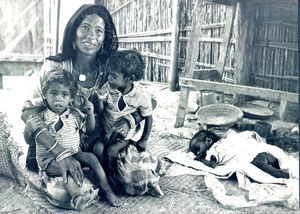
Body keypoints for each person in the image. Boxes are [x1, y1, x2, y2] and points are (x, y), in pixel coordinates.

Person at [21, 4, 154, 188]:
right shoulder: (55, 67)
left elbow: (149, 101)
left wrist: (130, 120)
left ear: (103, 40)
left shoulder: (111, 69)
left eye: (98, 31)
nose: (91, 35)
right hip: (60, 142)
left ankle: (98, 174)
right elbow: (28, 111)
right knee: (70, 191)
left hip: (99, 142)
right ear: (73, 33)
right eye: (85, 28)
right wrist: (60, 153)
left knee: (138, 181)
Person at [35, 69, 121, 210]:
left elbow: (89, 129)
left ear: (71, 98)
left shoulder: (74, 114)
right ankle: (77, 197)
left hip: (74, 152)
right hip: (49, 160)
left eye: (64, 94)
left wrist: (90, 113)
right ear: (44, 95)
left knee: (92, 158)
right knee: (67, 170)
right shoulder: (42, 116)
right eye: (53, 93)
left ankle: (108, 190)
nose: (58, 98)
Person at [96, 50, 153, 172]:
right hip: (106, 132)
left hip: (124, 136)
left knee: (112, 150)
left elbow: (148, 117)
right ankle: (103, 172)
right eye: (109, 74)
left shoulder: (140, 95)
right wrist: (100, 99)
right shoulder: (107, 87)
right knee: (98, 149)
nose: (109, 78)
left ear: (130, 79)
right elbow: (100, 112)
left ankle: (112, 176)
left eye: (114, 76)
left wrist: (144, 139)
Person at [189, 130, 289, 179]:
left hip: (255, 158)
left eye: (197, 149)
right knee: (274, 162)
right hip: (261, 151)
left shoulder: (212, 151)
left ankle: (286, 176)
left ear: (209, 141)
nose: (198, 153)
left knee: (269, 170)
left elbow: (212, 165)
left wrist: (201, 159)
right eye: (196, 152)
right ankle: (281, 166)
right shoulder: (224, 141)